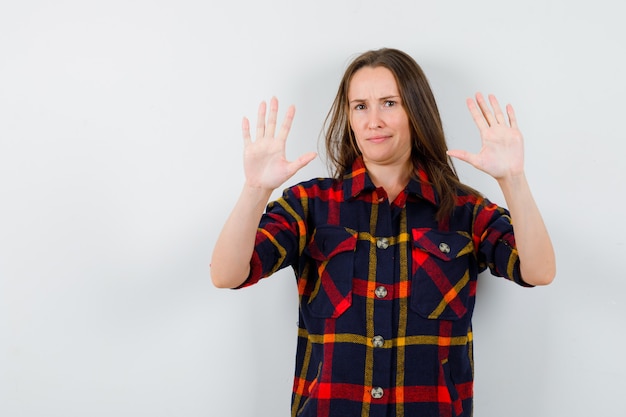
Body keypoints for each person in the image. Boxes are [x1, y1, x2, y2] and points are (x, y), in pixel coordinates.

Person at [210, 48, 555, 417]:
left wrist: (513, 180)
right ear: (349, 117)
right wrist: (255, 190)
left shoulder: (463, 211)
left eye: (389, 103)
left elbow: (538, 270)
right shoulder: (311, 204)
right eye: (360, 106)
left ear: (416, 111)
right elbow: (228, 273)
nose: (373, 120)